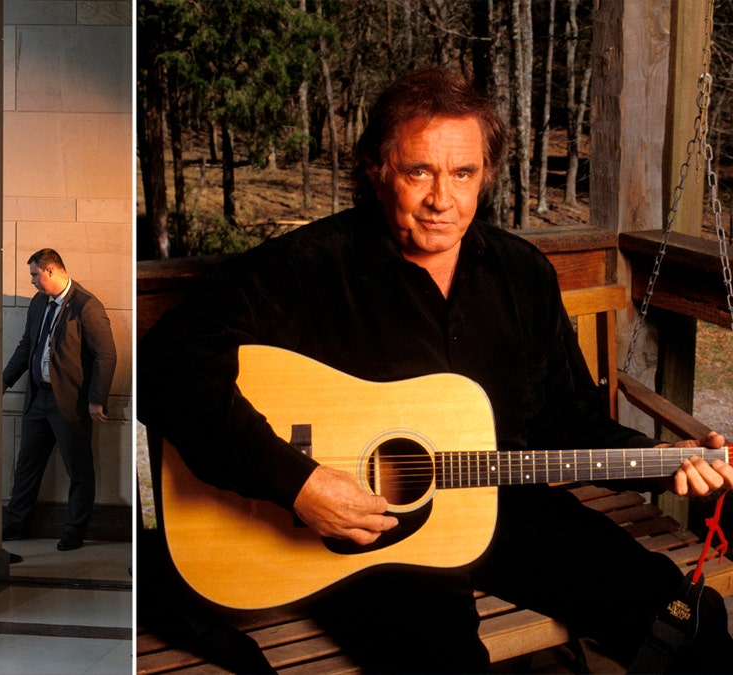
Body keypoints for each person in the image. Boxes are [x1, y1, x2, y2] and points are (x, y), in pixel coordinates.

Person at [138, 66, 733, 673]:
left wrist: (664, 465)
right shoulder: (307, 268)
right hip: (367, 537)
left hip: (507, 507)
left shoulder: (522, 273)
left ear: (486, 177)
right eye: (418, 170)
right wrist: (297, 483)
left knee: (687, 621)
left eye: (463, 173)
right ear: (377, 170)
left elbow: (568, 418)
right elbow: (169, 364)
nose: (441, 199)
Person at [2, 249, 118, 551]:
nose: (32, 282)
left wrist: (96, 400)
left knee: (78, 469)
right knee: (26, 465)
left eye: (34, 275)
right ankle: (15, 525)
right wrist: (3, 381)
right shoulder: (39, 304)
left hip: (70, 403)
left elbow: (106, 356)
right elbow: (27, 344)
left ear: (51, 270)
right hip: (37, 399)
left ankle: (74, 531)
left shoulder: (87, 306)